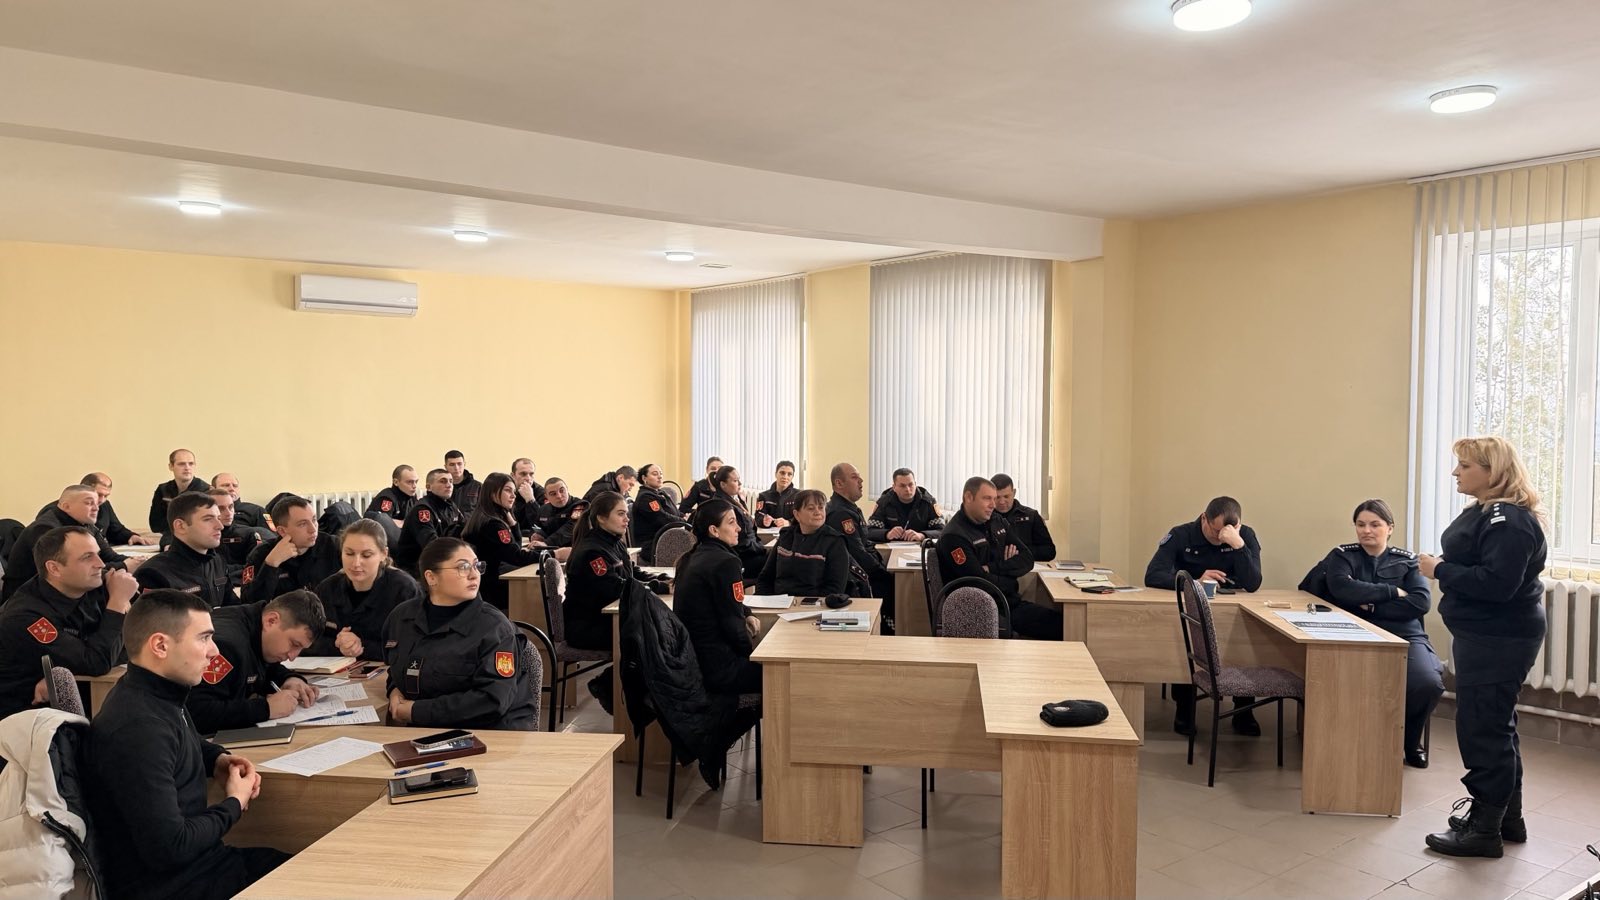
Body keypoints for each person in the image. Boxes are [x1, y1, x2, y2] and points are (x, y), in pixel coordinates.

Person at [88, 589, 289, 900]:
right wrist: (234, 803)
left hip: (203, 868)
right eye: (204, 638)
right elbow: (171, 847)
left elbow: (184, 740)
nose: (214, 651)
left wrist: (218, 760)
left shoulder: (155, 694)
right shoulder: (138, 728)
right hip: (176, 886)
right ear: (160, 645)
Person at [1418, 437, 1548, 858]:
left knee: (1483, 730)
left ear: (1493, 472)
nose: (1456, 472)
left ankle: (1484, 831)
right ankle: (1507, 819)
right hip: (1487, 635)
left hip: (1498, 638)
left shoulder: (1508, 520)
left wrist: (1439, 570)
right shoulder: (1488, 512)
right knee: (1495, 725)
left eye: (1465, 465)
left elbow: (1497, 584)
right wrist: (1445, 565)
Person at [1300, 499, 1442, 769]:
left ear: (1390, 528)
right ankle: (1348, 739)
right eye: (1361, 524)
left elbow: (1420, 603)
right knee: (1329, 677)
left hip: (1404, 634)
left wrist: (1372, 605)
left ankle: (1410, 742)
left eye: (1375, 525)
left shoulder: (1408, 560)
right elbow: (1342, 589)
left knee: (1427, 683)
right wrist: (1392, 592)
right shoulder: (1343, 555)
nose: (1367, 530)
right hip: (1354, 631)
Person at [383, 538, 536, 731]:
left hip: (488, 732)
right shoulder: (402, 617)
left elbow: (492, 700)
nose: (474, 575)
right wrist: (394, 691)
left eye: (476, 566)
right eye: (463, 567)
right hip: (425, 729)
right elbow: (397, 667)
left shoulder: (495, 628)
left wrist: (416, 711)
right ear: (431, 577)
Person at [1143, 495, 1265, 737]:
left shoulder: (1245, 536)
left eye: (1227, 532)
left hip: (1232, 613)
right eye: (1216, 531)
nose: (1220, 538)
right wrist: (1194, 581)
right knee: (1185, 642)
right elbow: (1153, 575)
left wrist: (1238, 545)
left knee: (1247, 639)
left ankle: (1243, 711)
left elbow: (1253, 583)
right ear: (1204, 519)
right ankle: (1185, 708)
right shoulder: (1181, 535)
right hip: (1191, 612)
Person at [0, 527, 135, 719]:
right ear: (54, 568)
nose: (100, 564)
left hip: (76, 691)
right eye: (87, 557)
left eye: (97, 554)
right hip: (27, 715)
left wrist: (63, 671)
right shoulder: (27, 616)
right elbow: (97, 662)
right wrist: (118, 603)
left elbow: (140, 639)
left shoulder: (95, 582)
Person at [937, 476, 1063, 640]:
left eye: (994, 498)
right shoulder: (955, 536)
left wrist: (993, 567)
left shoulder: (995, 521)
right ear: (968, 497)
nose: (993, 504)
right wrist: (1011, 579)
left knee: (1065, 622)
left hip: (1007, 602)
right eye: (987, 498)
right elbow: (978, 583)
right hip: (982, 611)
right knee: (1062, 627)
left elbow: (1027, 558)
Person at [185, 590, 324, 734]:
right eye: (294, 644)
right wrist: (266, 708)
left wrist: (288, 678)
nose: (292, 657)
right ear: (271, 620)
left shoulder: (254, 624)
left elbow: (261, 664)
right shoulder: (226, 647)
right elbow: (195, 713)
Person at [674, 499, 763, 696]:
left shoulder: (691, 557)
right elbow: (733, 624)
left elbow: (725, 600)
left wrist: (747, 612)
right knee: (781, 674)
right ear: (714, 530)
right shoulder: (726, 562)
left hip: (692, 662)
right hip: (718, 669)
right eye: (731, 522)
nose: (739, 528)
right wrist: (752, 655)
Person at [311, 519, 423, 660]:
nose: (356, 563)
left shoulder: (404, 590)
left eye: (366, 555)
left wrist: (362, 646)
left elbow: (415, 646)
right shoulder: (327, 589)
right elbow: (305, 640)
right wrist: (338, 644)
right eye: (349, 553)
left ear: (384, 554)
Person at [3, 484, 134, 600]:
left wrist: (137, 562)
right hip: (30, 598)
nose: (96, 508)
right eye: (89, 503)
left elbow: (108, 555)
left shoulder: (85, 523)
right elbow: (72, 572)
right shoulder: (46, 530)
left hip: (64, 591)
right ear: (66, 506)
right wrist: (123, 566)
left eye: (97, 504)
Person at [563, 491, 646, 653]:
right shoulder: (592, 552)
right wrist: (655, 588)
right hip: (588, 627)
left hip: (608, 619)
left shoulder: (615, 542)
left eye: (626, 514)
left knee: (657, 630)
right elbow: (614, 588)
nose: (627, 519)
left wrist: (661, 581)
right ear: (601, 518)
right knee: (651, 635)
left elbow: (632, 572)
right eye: (620, 514)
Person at [462, 472, 547, 610]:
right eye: (508, 490)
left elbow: (515, 547)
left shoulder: (486, 516)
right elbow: (516, 556)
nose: (513, 496)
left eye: (514, 491)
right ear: (492, 493)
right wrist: (553, 555)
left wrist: (513, 524)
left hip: (486, 584)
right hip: (492, 589)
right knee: (537, 592)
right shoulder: (493, 524)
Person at [134, 491, 234, 608]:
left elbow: (233, 607)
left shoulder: (217, 561)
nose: (220, 526)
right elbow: (154, 620)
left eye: (218, 518)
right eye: (208, 519)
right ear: (180, 526)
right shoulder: (153, 574)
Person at [240, 495, 342, 603]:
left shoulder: (334, 545)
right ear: (282, 531)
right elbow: (248, 602)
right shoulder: (261, 553)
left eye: (314, 520)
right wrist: (271, 564)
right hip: (284, 612)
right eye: (303, 524)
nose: (313, 529)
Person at [755, 489, 850, 597]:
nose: (817, 512)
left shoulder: (835, 541)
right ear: (797, 514)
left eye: (821, 507)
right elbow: (765, 578)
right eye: (811, 508)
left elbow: (835, 588)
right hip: (779, 601)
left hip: (815, 603)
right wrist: (766, 600)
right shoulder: (786, 536)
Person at [825, 462, 895, 606]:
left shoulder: (849, 508)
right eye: (854, 477)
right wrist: (883, 572)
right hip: (859, 578)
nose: (861, 481)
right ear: (839, 483)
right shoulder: (840, 513)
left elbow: (865, 541)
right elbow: (857, 553)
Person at [395, 468, 464, 573]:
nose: (449, 485)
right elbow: (431, 545)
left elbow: (463, 531)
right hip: (417, 567)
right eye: (443, 481)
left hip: (442, 560)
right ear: (429, 487)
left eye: (451, 481)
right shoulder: (422, 510)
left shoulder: (450, 506)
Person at [710, 465, 768, 578]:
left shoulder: (733, 500)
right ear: (723, 484)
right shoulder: (724, 506)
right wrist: (762, 549)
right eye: (735, 481)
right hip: (741, 558)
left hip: (748, 552)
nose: (740, 483)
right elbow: (742, 541)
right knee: (777, 562)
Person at [866, 468, 945, 543]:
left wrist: (922, 535)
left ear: (915, 484)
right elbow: (869, 531)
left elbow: (942, 530)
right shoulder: (884, 502)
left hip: (920, 547)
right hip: (892, 547)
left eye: (911, 485)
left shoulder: (928, 502)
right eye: (902, 486)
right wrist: (887, 534)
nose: (907, 489)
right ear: (894, 487)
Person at [993, 473, 1057, 562]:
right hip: (994, 567)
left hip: (1026, 566)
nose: (1002, 502)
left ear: (1014, 493)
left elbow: (1049, 551)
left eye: (1006, 496)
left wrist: (1021, 552)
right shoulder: (984, 518)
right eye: (997, 497)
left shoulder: (1031, 516)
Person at [210, 487, 266, 580]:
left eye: (231, 507)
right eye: (221, 508)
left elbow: (255, 568)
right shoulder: (199, 537)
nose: (228, 513)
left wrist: (223, 570)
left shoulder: (249, 534)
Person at [81, 471, 152, 545]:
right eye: (98, 494)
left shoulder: (104, 505)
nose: (102, 500)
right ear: (83, 489)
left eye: (106, 496)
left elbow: (116, 530)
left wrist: (130, 536)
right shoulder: (73, 507)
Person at [148, 448, 209, 533]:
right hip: (168, 535)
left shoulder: (206, 491)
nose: (187, 468)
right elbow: (155, 525)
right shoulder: (163, 489)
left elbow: (205, 524)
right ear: (171, 466)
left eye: (191, 464)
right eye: (181, 464)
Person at [632, 463, 685, 559]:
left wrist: (684, 516)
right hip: (653, 543)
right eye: (655, 474)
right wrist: (684, 521)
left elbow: (675, 512)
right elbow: (662, 518)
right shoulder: (646, 498)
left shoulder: (661, 493)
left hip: (667, 537)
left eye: (661, 473)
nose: (660, 476)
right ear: (644, 478)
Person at [534, 478, 587, 553]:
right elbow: (535, 526)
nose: (559, 496)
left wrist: (547, 543)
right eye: (553, 494)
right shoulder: (543, 509)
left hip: (576, 550)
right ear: (546, 496)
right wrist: (534, 536)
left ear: (567, 489)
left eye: (562, 491)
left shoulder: (580, 505)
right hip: (551, 549)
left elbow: (571, 528)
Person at [755, 460, 800, 528]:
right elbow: (758, 516)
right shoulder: (763, 496)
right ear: (776, 474)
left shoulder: (799, 495)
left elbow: (804, 517)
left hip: (792, 531)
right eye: (782, 473)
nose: (785, 477)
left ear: (792, 477)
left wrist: (789, 522)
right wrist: (764, 521)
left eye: (789, 474)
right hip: (770, 532)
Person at [510, 458, 545, 529]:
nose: (528, 478)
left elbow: (540, 525)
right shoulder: (506, 490)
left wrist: (531, 500)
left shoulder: (542, 493)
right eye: (523, 474)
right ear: (513, 476)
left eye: (531, 474)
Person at [444, 450, 481, 515]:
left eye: (459, 464)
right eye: (452, 465)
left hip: (472, 521)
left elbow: (485, 511)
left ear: (464, 464)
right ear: (445, 467)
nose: (456, 468)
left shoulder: (477, 487)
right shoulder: (440, 487)